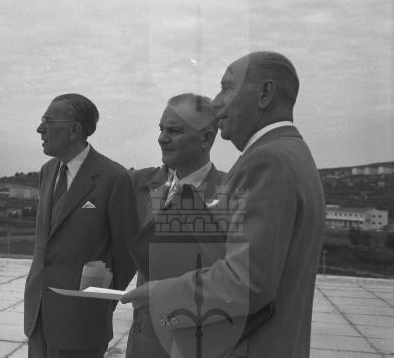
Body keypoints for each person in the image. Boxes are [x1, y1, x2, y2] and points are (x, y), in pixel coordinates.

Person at [122, 51, 325, 358]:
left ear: (265, 93)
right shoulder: (292, 152)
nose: (217, 103)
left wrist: (161, 292)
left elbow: (246, 283)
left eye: (227, 88)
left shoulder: (267, 160)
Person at [24, 93, 140, 358]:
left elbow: (127, 252)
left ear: (75, 129)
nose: (40, 129)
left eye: (47, 121)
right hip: (38, 314)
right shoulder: (47, 171)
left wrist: (99, 302)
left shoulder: (114, 177)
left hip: (82, 321)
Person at [126, 93, 227, 358]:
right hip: (146, 346)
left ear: (206, 138)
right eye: (161, 129)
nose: (162, 138)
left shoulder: (232, 193)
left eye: (174, 131)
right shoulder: (143, 187)